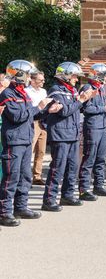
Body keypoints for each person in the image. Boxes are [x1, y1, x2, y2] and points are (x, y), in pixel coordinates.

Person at [0, 61, 58, 226]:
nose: (29, 77)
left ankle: (20, 207)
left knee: (25, 176)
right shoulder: (7, 94)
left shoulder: (23, 93)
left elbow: (30, 115)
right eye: (27, 74)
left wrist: (47, 110)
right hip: (14, 141)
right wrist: (37, 106)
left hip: (25, 139)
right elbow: (17, 116)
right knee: (11, 176)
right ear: (18, 75)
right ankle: (4, 212)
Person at [43, 62, 95, 211]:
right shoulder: (55, 90)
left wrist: (87, 98)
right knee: (57, 168)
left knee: (72, 167)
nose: (76, 80)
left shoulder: (72, 90)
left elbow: (78, 109)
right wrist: (80, 100)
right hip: (60, 134)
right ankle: (49, 200)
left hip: (72, 133)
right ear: (65, 75)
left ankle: (67, 195)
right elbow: (64, 111)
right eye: (74, 76)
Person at [78, 63, 106, 200]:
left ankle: (99, 185)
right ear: (98, 76)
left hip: (101, 126)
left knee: (101, 158)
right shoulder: (88, 88)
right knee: (89, 157)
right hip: (92, 126)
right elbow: (87, 109)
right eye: (105, 76)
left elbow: (101, 106)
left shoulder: (100, 88)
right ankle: (84, 189)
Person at [25, 70, 47, 186]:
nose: (43, 82)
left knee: (41, 151)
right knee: (29, 151)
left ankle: (37, 176)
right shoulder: (26, 92)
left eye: (43, 80)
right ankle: (26, 177)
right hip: (33, 122)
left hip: (43, 123)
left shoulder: (43, 91)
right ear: (32, 80)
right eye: (40, 80)